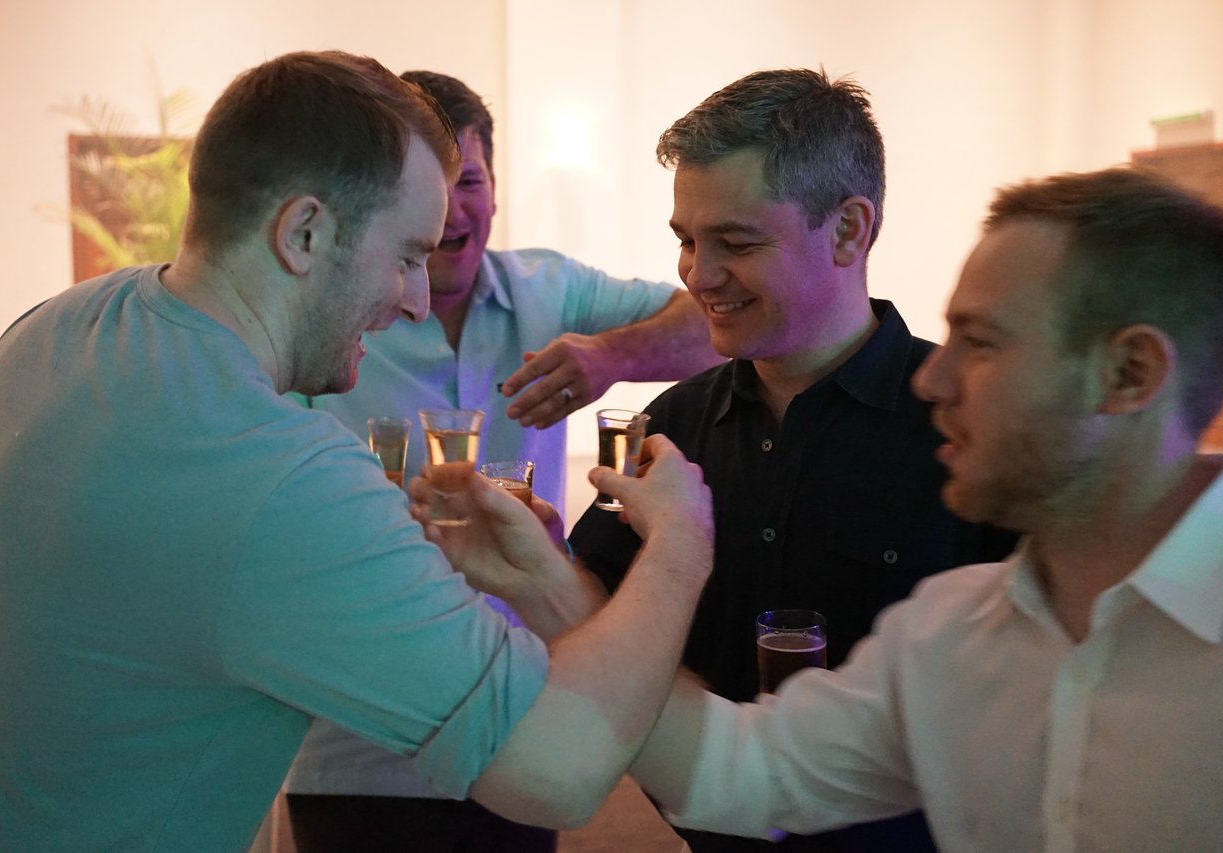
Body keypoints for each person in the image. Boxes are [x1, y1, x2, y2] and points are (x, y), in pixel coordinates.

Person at [0, 51, 716, 851]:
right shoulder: (283, 479)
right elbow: (564, 768)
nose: (417, 298)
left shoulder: (53, 328)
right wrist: (682, 542)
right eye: (407, 256)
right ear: (304, 232)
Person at [617, 166, 1223, 851]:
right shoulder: (949, 632)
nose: (933, 379)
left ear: (1129, 373)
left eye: (983, 342)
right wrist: (539, 580)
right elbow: (746, 770)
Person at [568, 69, 1016, 853]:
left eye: (735, 242)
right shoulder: (671, 424)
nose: (698, 277)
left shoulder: (971, 433)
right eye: (686, 240)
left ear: (849, 229)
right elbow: (597, 610)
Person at [283, 69, 720, 853]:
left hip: (516, 713)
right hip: (355, 738)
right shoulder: (332, 307)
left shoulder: (550, 288)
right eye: (433, 188)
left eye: (472, 181)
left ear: (497, 185)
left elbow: (710, 323)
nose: (453, 210)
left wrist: (610, 355)